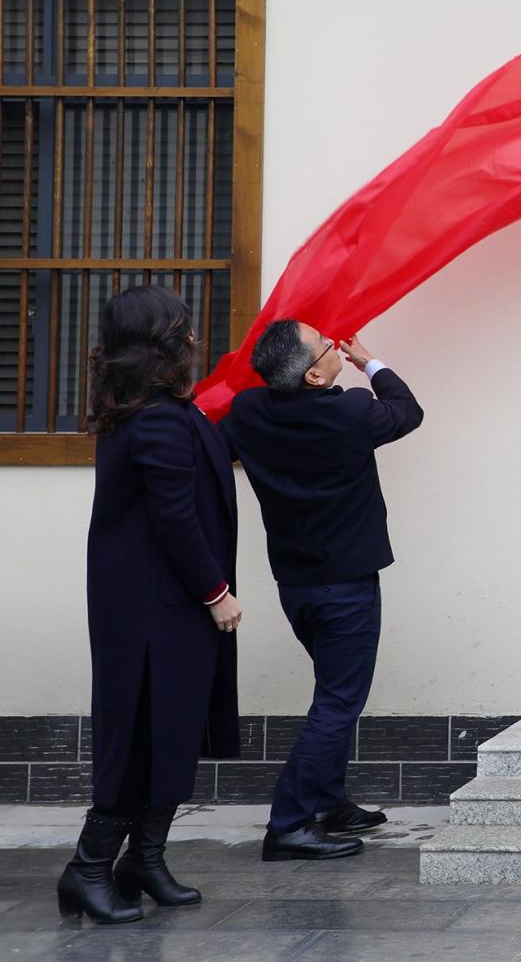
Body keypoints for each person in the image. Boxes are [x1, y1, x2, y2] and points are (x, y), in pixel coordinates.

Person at [62, 285, 242, 923]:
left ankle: (146, 859)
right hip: (152, 604)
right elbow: (174, 518)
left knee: (169, 727)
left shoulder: (153, 409)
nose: (192, 338)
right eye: (182, 328)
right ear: (160, 340)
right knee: (141, 730)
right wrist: (216, 591)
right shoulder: (156, 416)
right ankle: (88, 868)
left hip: (160, 602)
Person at [222, 322, 423, 861]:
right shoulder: (351, 412)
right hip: (347, 590)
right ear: (314, 374)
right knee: (337, 703)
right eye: (328, 347)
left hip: (297, 585)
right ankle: (288, 824)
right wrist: (370, 361)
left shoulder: (248, 413)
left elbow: (218, 448)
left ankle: (330, 802)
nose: (337, 346)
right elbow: (407, 411)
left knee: (334, 692)